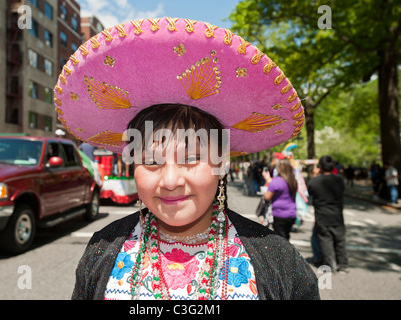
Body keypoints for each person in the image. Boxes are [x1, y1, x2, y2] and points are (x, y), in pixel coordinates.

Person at [54, 18, 318, 300]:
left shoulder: (279, 260)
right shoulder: (101, 250)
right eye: (152, 162)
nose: (170, 181)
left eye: (191, 158)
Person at [307, 155, 348, 273]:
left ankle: (330, 264)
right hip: (337, 214)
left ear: (320, 167)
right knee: (340, 240)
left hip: (322, 215)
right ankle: (343, 264)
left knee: (326, 240)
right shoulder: (339, 180)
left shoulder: (315, 181)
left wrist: (315, 174)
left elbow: (309, 191)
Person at [262, 159, 298, 240]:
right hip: (291, 213)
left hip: (279, 213)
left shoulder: (276, 181)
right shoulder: (293, 181)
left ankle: (285, 252)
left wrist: (264, 194)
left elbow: (267, 197)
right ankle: (288, 251)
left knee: (281, 237)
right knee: (286, 235)